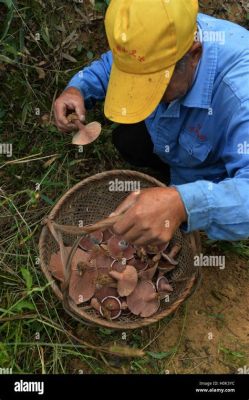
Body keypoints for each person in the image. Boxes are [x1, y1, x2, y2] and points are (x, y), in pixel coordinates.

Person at [54, 0, 249, 245]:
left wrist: (183, 204)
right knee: (127, 141)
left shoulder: (241, 93)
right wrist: (78, 88)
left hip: (214, 172)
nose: (146, 94)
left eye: (154, 84)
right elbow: (112, 65)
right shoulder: (151, 38)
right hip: (174, 138)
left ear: (194, 54)